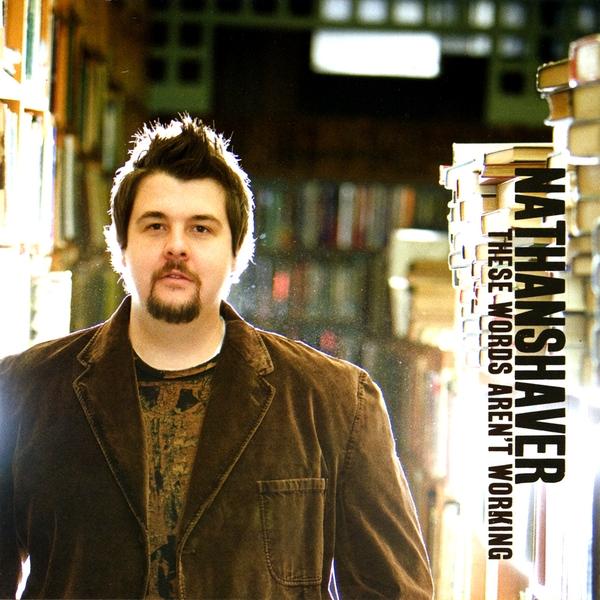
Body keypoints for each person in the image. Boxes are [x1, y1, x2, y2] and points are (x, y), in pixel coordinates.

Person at [0, 115, 434, 599]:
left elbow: (396, 592)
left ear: (237, 253)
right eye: (155, 225)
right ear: (120, 246)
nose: (176, 246)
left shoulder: (335, 401)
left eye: (201, 228)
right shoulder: (26, 388)